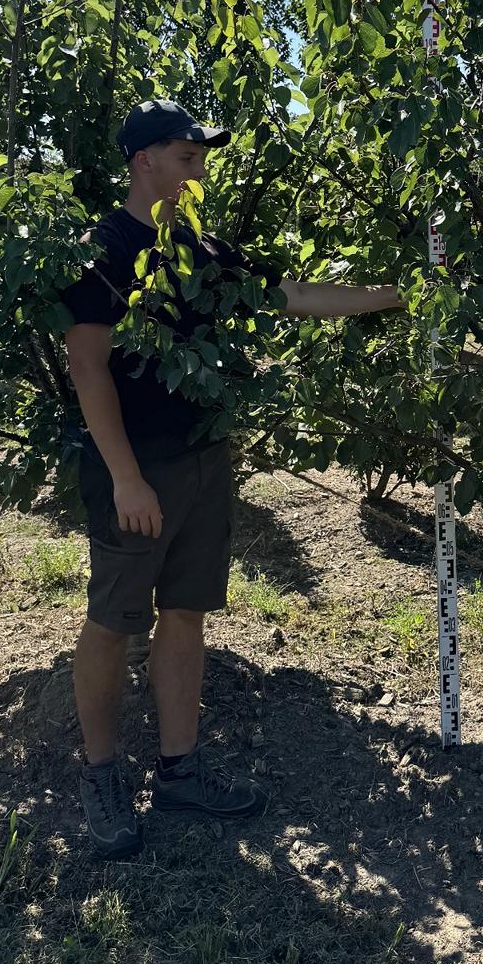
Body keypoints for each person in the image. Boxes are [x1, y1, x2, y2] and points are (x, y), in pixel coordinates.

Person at [61, 99, 403, 858]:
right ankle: (102, 776)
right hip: (134, 470)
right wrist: (125, 477)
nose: (199, 170)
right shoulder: (105, 248)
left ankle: (180, 771)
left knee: (186, 613)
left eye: (201, 157)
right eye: (187, 156)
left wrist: (392, 295)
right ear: (144, 159)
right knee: (116, 620)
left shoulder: (201, 248)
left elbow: (292, 297)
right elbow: (86, 366)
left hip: (202, 461)